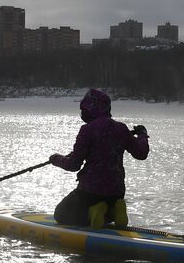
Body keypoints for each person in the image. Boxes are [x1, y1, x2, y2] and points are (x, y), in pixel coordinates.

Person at [48, 88, 149, 228]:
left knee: (61, 214)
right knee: (107, 206)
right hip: (116, 192)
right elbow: (141, 153)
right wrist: (142, 135)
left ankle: (92, 211)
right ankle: (114, 210)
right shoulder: (121, 129)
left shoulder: (87, 130)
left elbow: (74, 164)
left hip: (90, 192)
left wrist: (55, 159)